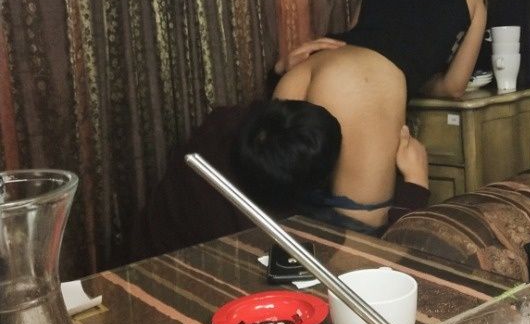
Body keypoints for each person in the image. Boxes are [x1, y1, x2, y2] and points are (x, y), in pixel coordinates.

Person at [237, 0, 488, 234]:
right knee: (364, 230)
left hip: (310, 66)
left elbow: (357, 34)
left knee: (285, 219)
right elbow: (454, 86)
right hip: (362, 82)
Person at [134, 39, 429, 257]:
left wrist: (279, 73)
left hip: (142, 248)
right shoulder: (273, 226)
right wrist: (415, 185)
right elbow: (371, 264)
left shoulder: (221, 124)